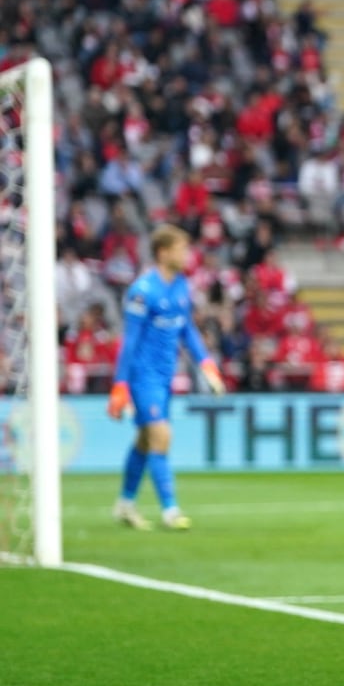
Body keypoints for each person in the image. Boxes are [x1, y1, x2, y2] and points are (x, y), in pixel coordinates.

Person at [107, 224, 226, 531]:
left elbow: (187, 330)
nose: (187, 255)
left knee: (145, 441)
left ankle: (125, 504)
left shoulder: (182, 286)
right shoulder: (142, 291)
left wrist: (207, 364)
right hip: (142, 377)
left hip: (165, 376)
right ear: (163, 252)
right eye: (181, 249)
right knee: (162, 436)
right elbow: (129, 342)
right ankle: (170, 510)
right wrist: (120, 385)